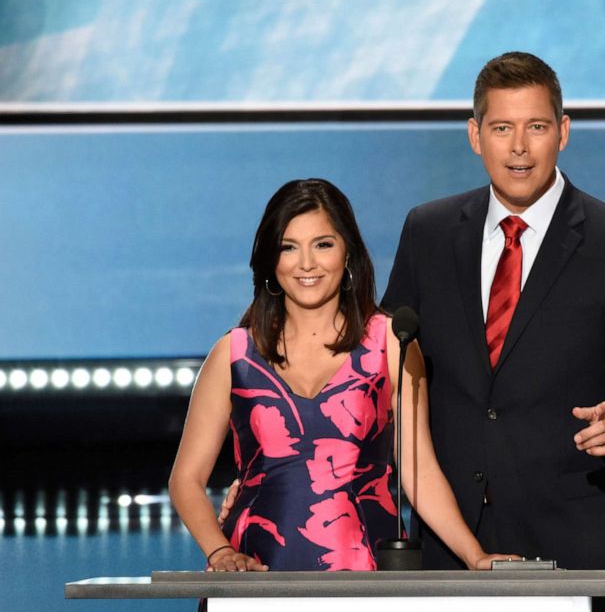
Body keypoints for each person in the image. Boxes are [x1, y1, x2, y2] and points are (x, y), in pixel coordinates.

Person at [380, 52, 605, 612]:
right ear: (476, 136)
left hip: (576, 549)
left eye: (536, 127)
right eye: (502, 128)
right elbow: (386, 373)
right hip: (450, 550)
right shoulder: (427, 232)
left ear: (564, 132)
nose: (519, 147)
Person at [170, 178, 513, 572]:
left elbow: (421, 475)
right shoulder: (233, 355)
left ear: (347, 251)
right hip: (254, 571)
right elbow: (186, 478)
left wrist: (475, 555)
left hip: (366, 573)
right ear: (270, 259)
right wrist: (221, 553)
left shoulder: (392, 344)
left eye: (323, 244)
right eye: (288, 247)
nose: (306, 264)